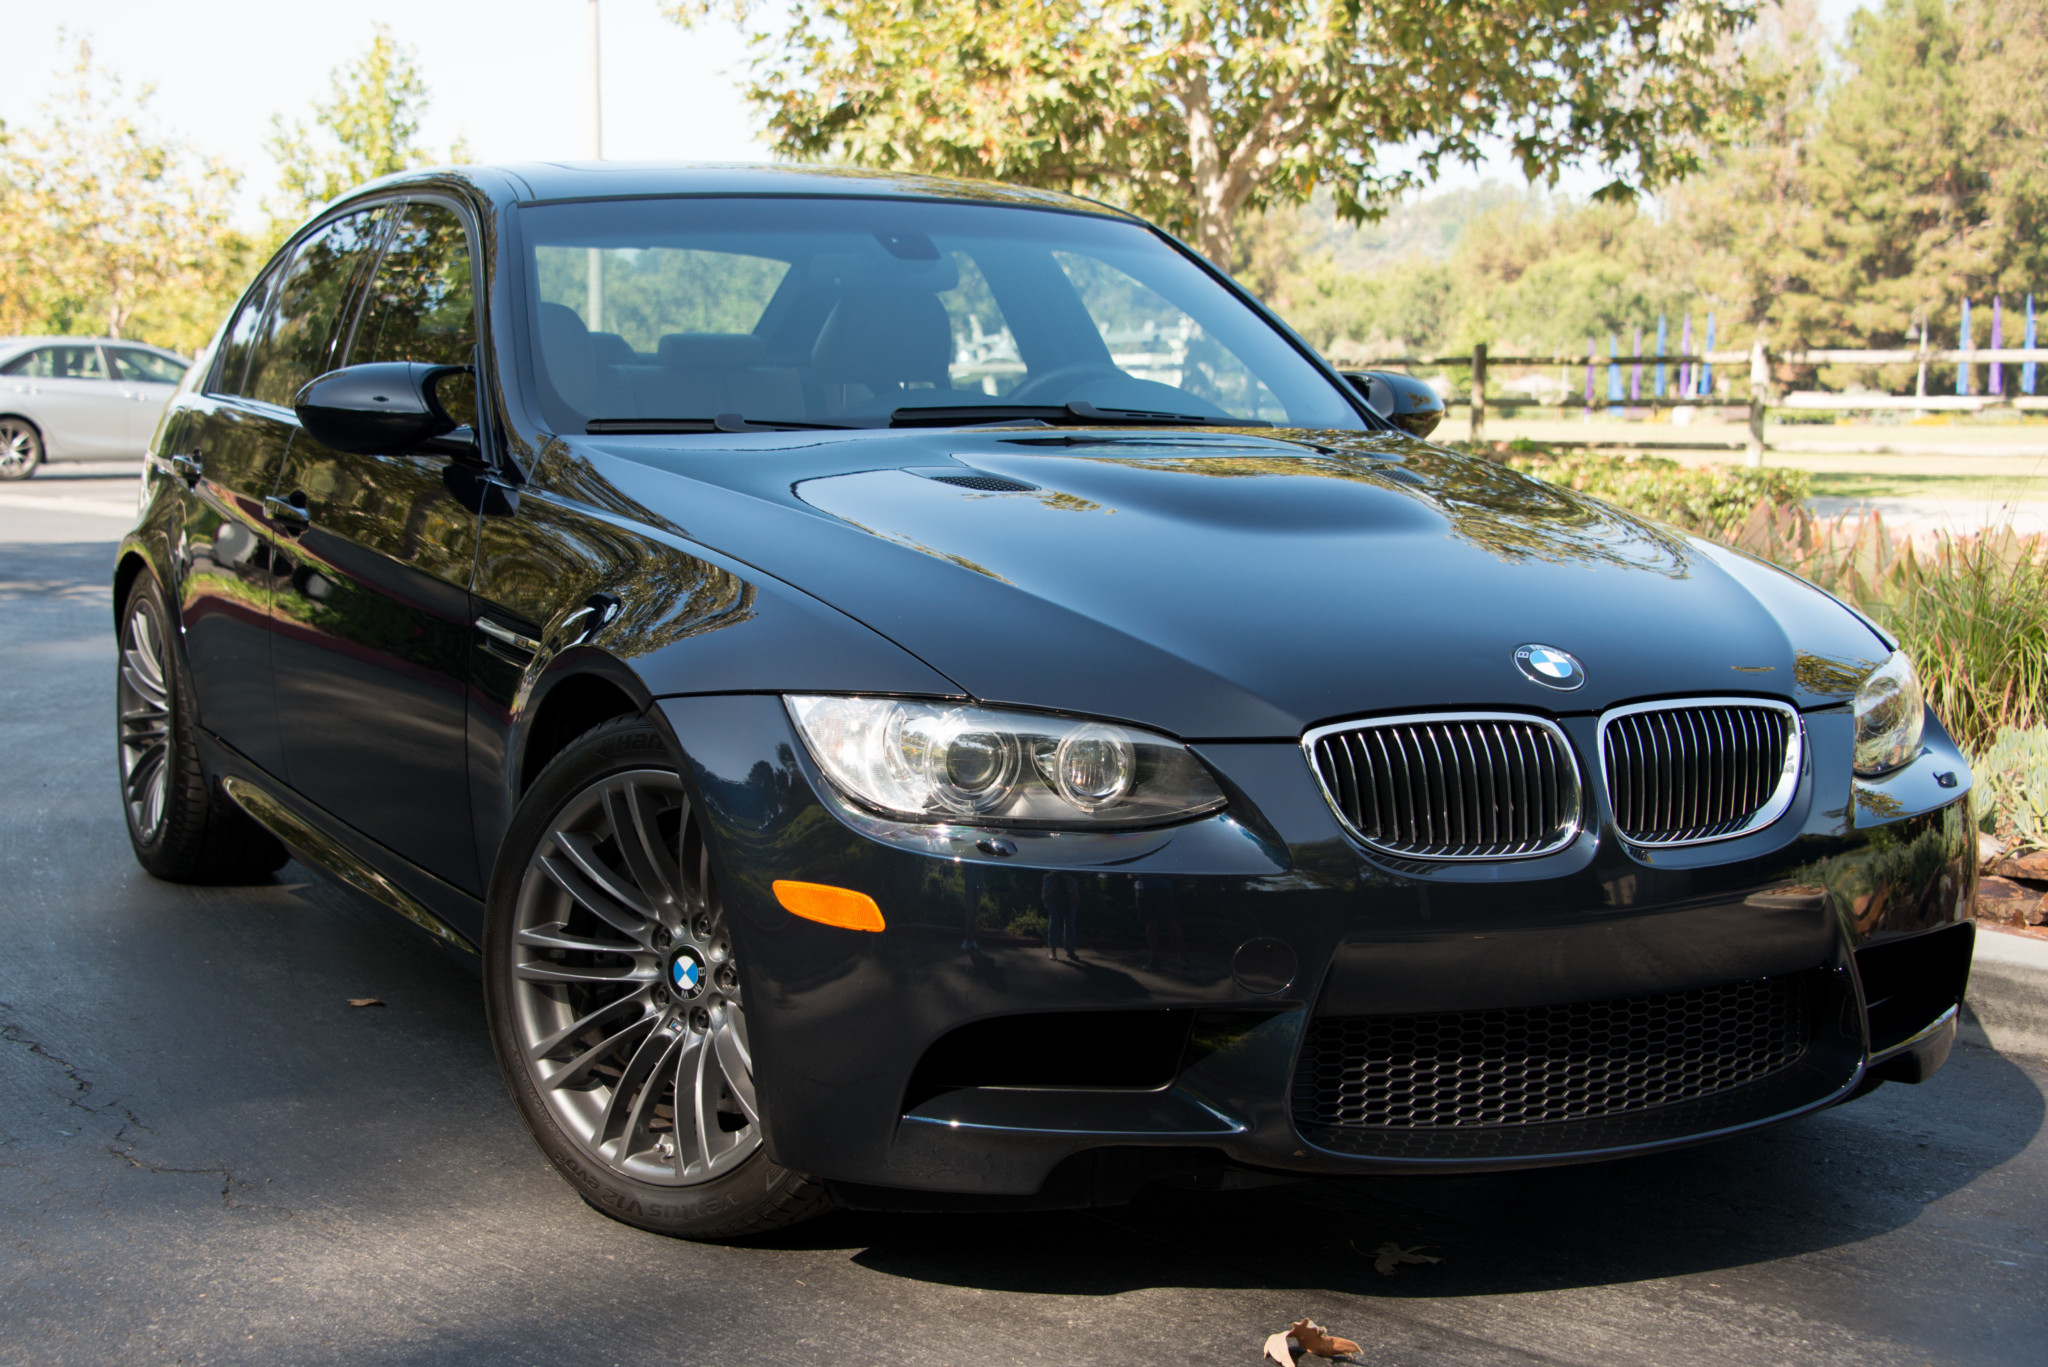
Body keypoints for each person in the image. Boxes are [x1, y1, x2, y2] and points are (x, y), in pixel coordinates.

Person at [1042, 870, 1080, 960]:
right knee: (1055, 919)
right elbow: (1047, 897)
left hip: (1069, 903)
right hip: (1053, 903)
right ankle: (1053, 951)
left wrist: (1069, 886)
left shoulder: (1071, 880)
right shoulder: (1049, 879)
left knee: (1070, 921)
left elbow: (1076, 899)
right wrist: (1054, 885)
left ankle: (1070, 950)